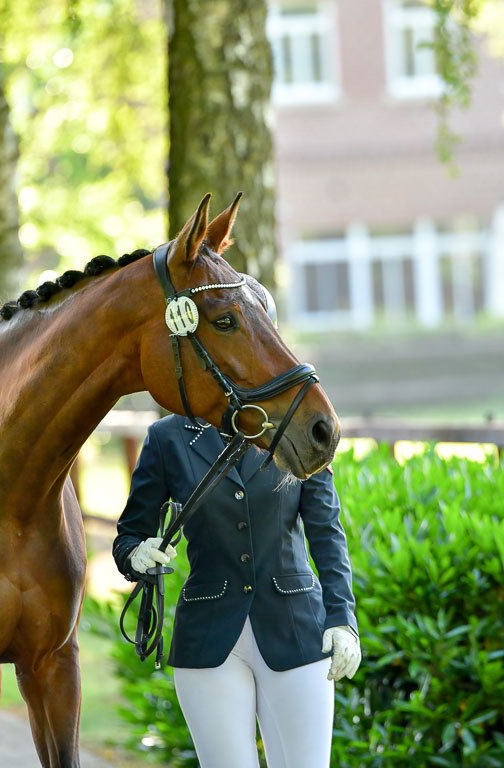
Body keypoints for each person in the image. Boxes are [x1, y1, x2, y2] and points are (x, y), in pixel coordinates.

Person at [113, 289, 361, 768]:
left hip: (298, 630)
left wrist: (342, 618)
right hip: (208, 639)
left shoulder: (296, 423)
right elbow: (128, 535)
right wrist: (136, 554)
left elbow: (327, 533)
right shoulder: (167, 438)